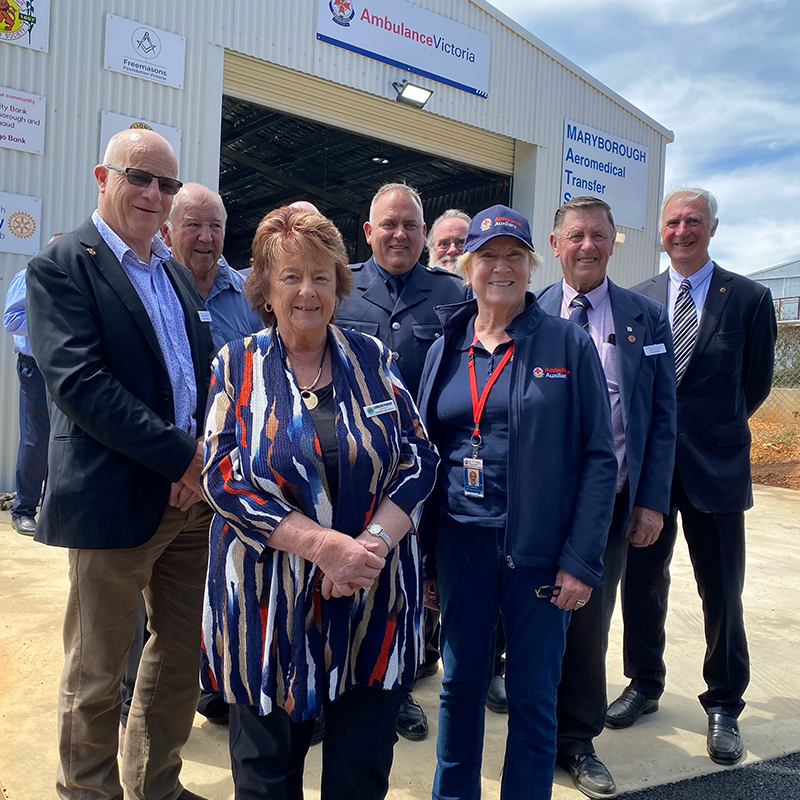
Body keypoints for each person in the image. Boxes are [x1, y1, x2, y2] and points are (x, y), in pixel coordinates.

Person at [199, 206, 439, 799]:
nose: (308, 291)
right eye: (291, 276)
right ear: (263, 286)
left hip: (370, 602)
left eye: (322, 276)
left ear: (340, 284)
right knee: (265, 779)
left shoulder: (372, 359)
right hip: (266, 611)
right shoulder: (237, 364)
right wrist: (324, 546)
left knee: (359, 777)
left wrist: (371, 544)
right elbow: (223, 475)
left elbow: (420, 458)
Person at [25, 128, 215, 800]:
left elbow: (195, 376)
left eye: (167, 183)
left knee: (178, 661)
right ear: (104, 176)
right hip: (116, 501)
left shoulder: (168, 269)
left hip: (191, 504)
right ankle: (90, 792)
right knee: (98, 672)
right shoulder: (60, 265)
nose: (155, 194)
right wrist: (185, 456)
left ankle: (156, 784)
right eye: (141, 177)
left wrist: (203, 464)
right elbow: (81, 385)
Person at [417, 204, 618, 799]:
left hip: (538, 549)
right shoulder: (446, 346)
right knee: (459, 685)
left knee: (533, 693)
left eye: (513, 256)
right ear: (467, 265)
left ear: (531, 265)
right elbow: (429, 453)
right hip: (462, 542)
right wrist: (427, 558)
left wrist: (581, 561)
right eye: (487, 256)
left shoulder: (565, 343)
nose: (499, 268)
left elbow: (599, 458)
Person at [609, 187, 777, 766]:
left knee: (721, 590)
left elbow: (753, 386)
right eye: (673, 222)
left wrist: (714, 433)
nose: (683, 231)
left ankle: (725, 702)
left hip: (717, 469)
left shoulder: (750, 299)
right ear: (660, 230)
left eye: (694, 222)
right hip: (650, 471)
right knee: (643, 583)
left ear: (712, 228)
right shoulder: (639, 299)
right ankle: (643, 683)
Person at [536, 196, 676, 799]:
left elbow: (662, 418)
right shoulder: (529, 310)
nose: (588, 246)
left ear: (615, 241)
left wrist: (651, 500)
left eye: (599, 235)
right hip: (536, 505)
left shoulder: (645, 317)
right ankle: (536, 733)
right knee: (532, 622)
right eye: (576, 236)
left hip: (610, 502)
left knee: (588, 621)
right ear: (555, 243)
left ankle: (577, 741)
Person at [336, 182, 465, 739]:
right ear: (368, 232)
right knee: (348, 572)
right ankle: (337, 680)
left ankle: (401, 687)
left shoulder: (452, 295)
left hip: (422, 470)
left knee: (411, 585)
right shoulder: (342, 290)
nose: (399, 234)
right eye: (388, 224)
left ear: (424, 232)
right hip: (355, 469)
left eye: (411, 225)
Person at [2, 235, 60, 536]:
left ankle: (52, 509)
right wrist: (48, 321)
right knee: (35, 439)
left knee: (63, 439)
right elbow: (11, 319)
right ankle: (23, 509)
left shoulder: (71, 279)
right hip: (34, 367)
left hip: (62, 368)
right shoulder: (27, 276)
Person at [163, 183, 263, 351]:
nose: (206, 237)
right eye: (193, 225)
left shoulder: (252, 297)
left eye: (215, 226)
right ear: (166, 233)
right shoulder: (153, 290)